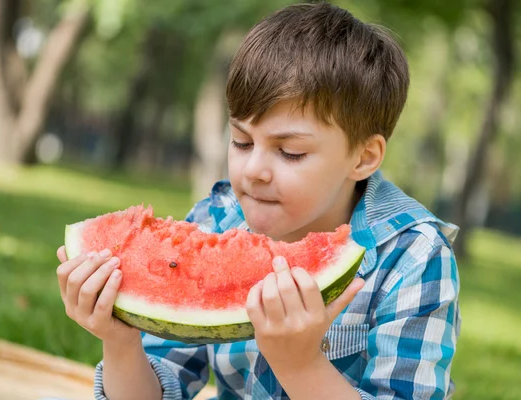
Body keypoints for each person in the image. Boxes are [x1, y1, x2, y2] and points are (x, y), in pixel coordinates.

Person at [56, 2, 461, 399]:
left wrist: (300, 365)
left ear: (363, 157)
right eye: (242, 141)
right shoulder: (216, 219)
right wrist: (120, 343)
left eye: (290, 152)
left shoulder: (414, 257)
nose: (254, 171)